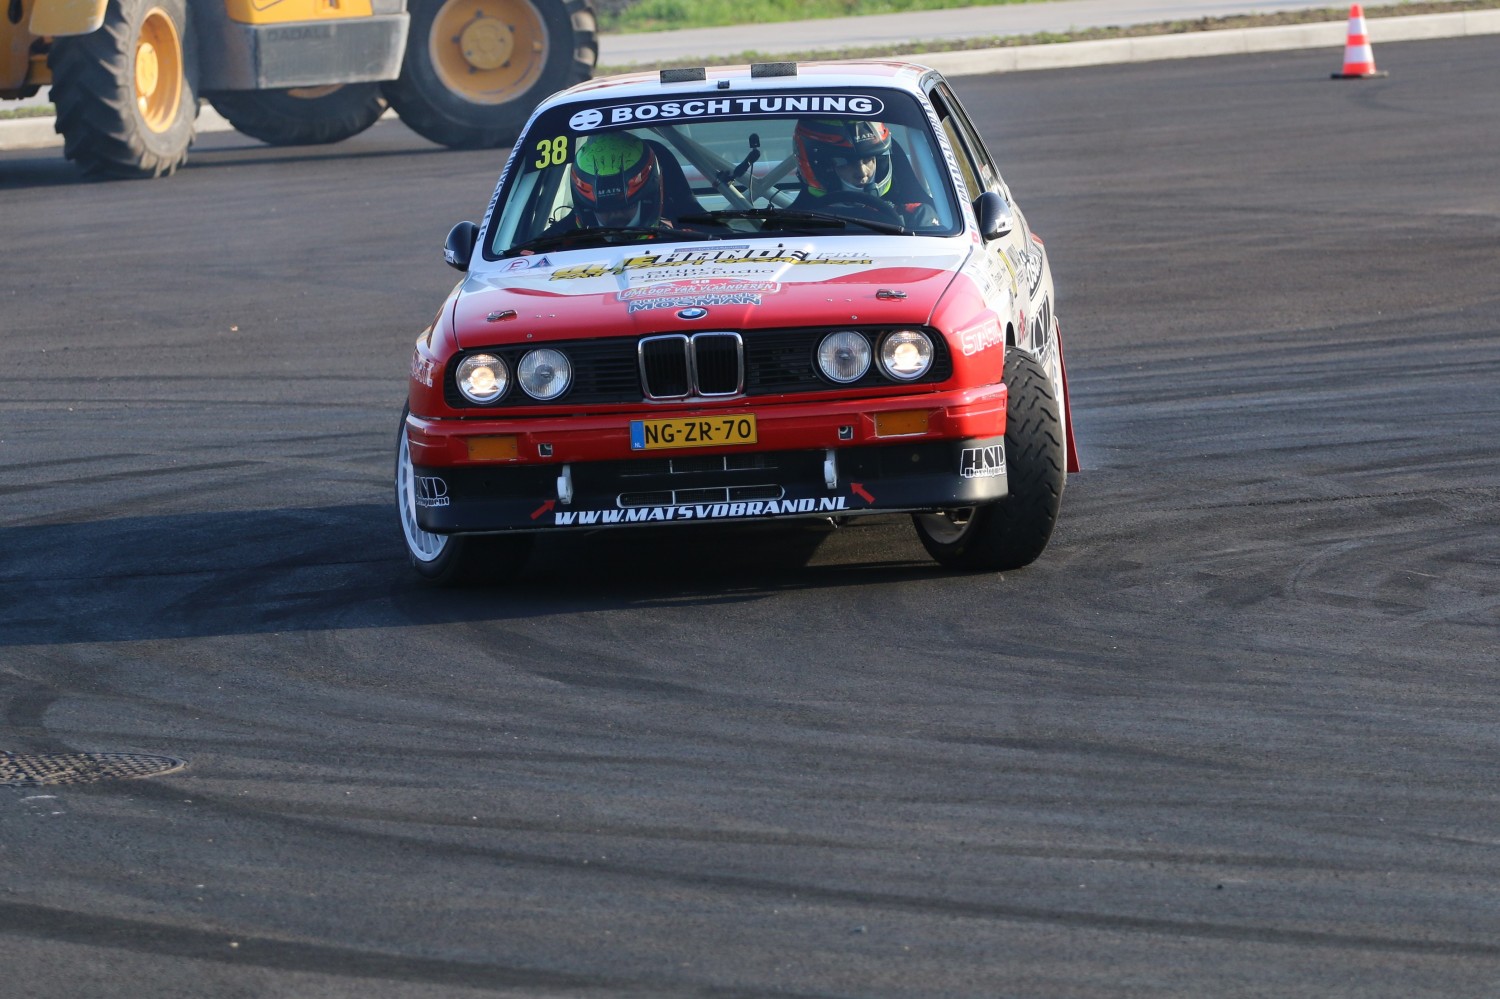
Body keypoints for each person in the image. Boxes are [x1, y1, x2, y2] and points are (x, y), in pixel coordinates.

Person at [791, 118, 938, 227]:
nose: (862, 173)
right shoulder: (789, 227)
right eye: (846, 162)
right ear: (822, 167)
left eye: (868, 159)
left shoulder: (915, 217)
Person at [558, 132, 665, 230]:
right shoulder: (553, 246)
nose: (616, 215)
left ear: (648, 201)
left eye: (627, 207)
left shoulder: (676, 241)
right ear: (588, 210)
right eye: (604, 210)